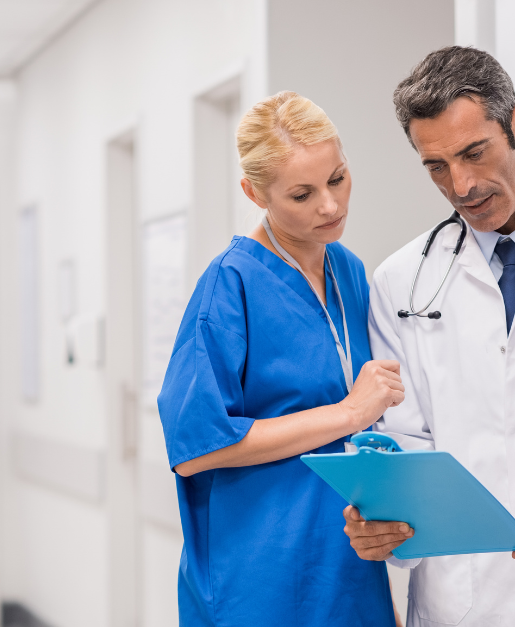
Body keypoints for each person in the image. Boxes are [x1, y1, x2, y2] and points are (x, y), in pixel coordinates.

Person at [342, 46, 515, 627]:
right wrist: (381, 519)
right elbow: (402, 443)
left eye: (474, 153)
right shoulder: (403, 281)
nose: (461, 185)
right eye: (436, 166)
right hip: (461, 597)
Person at [157, 91, 406, 626]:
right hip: (259, 578)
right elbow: (195, 447)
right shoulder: (231, 283)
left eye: (337, 179)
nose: (330, 206)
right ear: (255, 193)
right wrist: (347, 414)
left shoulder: (350, 273)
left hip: (347, 571)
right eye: (302, 193)